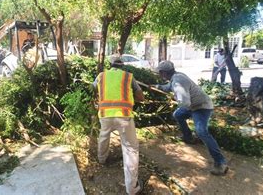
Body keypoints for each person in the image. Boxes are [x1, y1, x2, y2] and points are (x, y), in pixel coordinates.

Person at [151, 60, 229, 176]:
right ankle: (188, 137)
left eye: (160, 73)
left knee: (201, 131)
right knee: (178, 115)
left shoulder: (178, 80)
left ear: (164, 73)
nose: (159, 75)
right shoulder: (176, 78)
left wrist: (177, 100)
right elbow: (169, 87)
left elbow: (185, 103)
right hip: (193, 105)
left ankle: (221, 162)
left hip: (201, 107)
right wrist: (156, 86)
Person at [93, 56, 145, 194]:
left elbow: (93, 88)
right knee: (130, 149)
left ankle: (102, 159)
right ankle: (132, 188)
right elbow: (140, 96)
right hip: (124, 116)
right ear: (122, 65)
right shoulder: (129, 77)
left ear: (109, 64)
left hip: (105, 115)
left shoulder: (101, 76)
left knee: (103, 136)